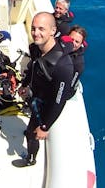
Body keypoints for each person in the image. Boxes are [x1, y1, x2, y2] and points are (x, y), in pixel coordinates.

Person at [12, 12, 75, 167]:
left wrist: (45, 126)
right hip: (35, 95)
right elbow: (34, 67)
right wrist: (25, 85)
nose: (36, 33)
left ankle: (30, 159)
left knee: (32, 135)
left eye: (41, 29)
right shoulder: (35, 48)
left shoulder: (63, 65)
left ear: (53, 31)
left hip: (45, 106)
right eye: (33, 28)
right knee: (30, 129)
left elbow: (59, 101)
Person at [62, 25, 88, 97]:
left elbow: (70, 87)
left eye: (77, 42)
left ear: (80, 44)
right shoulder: (60, 45)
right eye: (71, 39)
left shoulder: (78, 64)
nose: (73, 43)